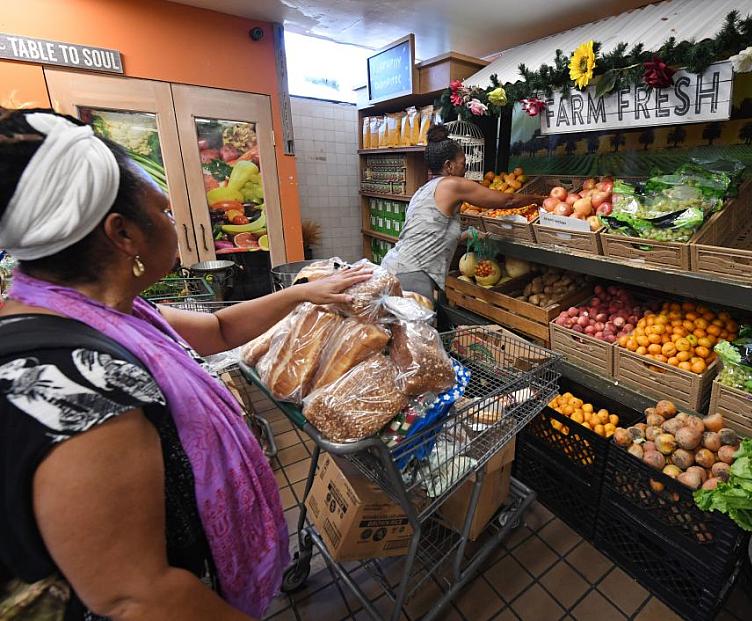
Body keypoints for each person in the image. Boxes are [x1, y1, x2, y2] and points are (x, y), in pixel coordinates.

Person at [0, 108, 371, 621]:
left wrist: (305, 293)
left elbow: (218, 331)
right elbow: (137, 596)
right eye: (165, 211)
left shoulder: (101, 307)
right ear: (123, 234)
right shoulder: (76, 381)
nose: (174, 221)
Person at [381, 125, 543, 301]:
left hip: (395, 266)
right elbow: (508, 200)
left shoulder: (423, 190)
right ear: (449, 166)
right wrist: (539, 200)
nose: (465, 170)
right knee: (412, 327)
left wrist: (468, 234)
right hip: (413, 276)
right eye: (463, 164)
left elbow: (430, 234)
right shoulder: (452, 184)